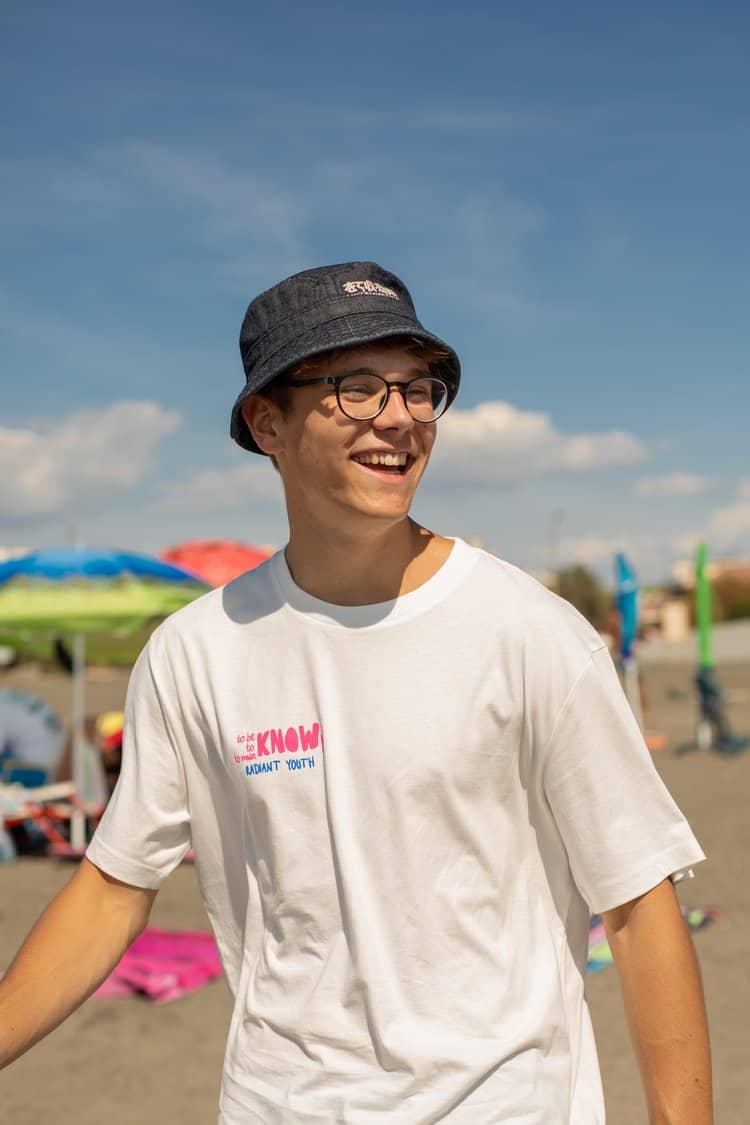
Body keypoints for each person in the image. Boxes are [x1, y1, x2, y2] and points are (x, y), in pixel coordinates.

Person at [0, 262, 712, 1123]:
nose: (401, 418)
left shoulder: (529, 630)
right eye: (357, 387)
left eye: (419, 389)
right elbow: (115, 887)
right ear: (269, 421)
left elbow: (637, 902)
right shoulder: (196, 650)